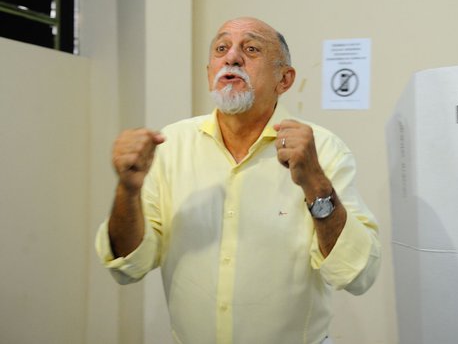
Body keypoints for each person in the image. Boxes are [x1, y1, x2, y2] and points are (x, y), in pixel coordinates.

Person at [96, 17, 381, 344]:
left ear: (284, 79)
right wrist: (127, 190)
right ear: (209, 73)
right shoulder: (169, 146)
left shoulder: (324, 150)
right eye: (221, 48)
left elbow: (358, 273)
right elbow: (127, 266)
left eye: (251, 48)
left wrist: (316, 184)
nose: (231, 57)